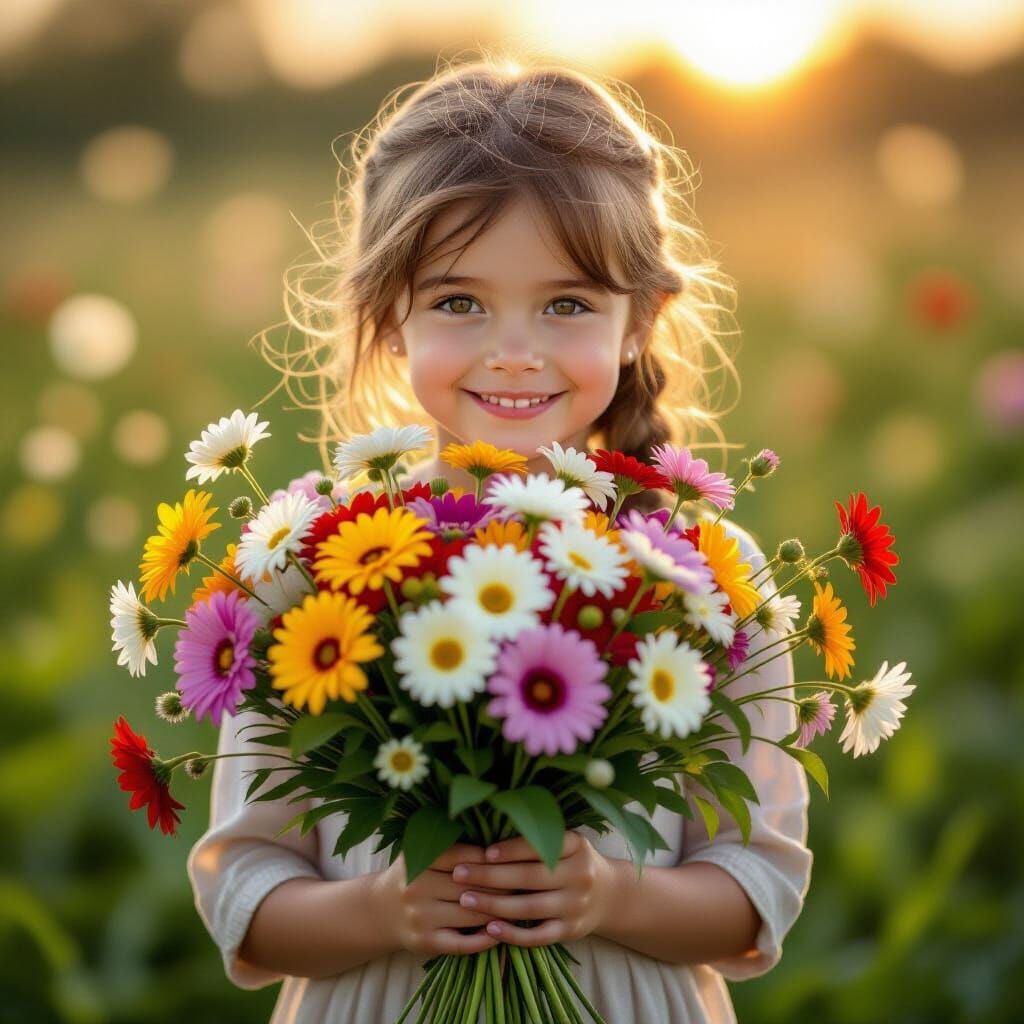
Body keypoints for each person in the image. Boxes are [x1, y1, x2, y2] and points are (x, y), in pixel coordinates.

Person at [187, 54, 812, 1023]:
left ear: (639, 319)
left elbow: (756, 894)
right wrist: (381, 909)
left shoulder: (700, 579)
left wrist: (612, 894)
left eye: (566, 304)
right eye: (457, 301)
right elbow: (243, 897)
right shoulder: (314, 569)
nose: (512, 348)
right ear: (388, 315)